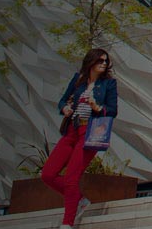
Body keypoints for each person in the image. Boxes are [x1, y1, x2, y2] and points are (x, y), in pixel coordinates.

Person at [42, 49, 118, 228]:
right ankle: (79, 199)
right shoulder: (79, 80)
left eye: (106, 61)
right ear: (91, 61)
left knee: (71, 178)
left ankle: (67, 223)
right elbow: (62, 101)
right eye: (100, 60)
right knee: (48, 175)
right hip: (71, 131)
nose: (104, 64)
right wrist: (65, 109)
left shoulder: (109, 84)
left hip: (90, 132)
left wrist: (97, 107)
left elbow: (113, 110)